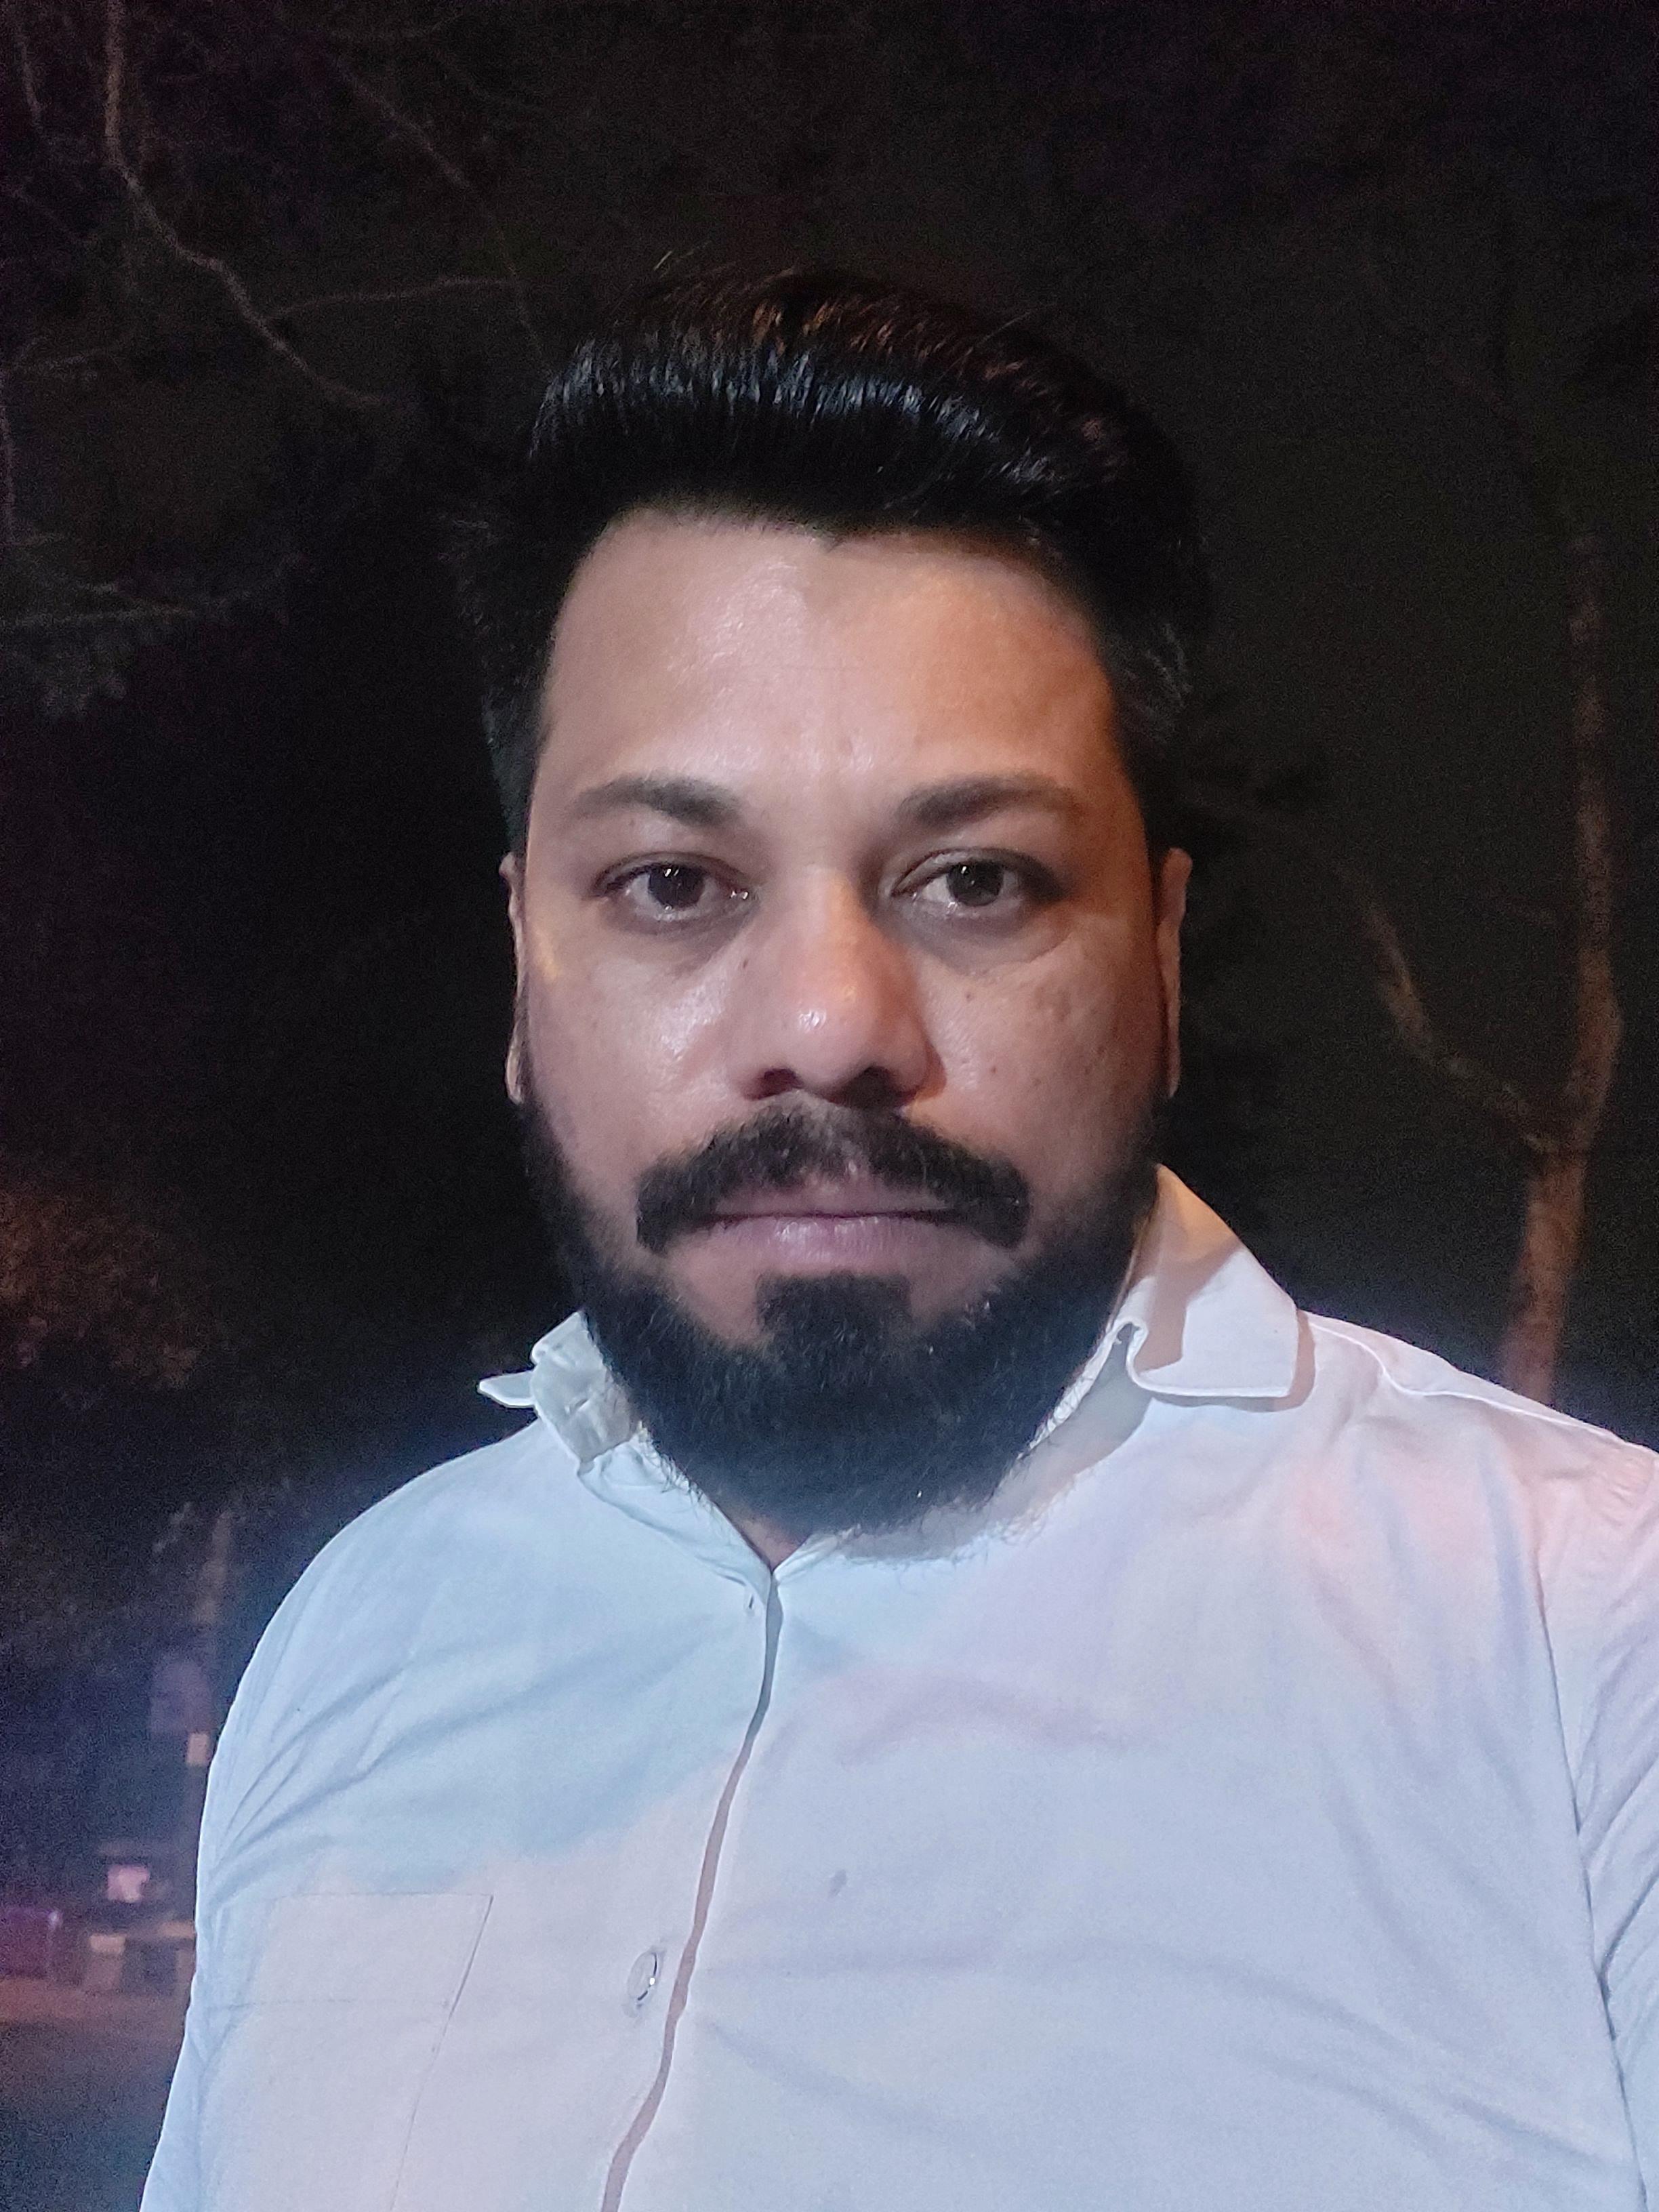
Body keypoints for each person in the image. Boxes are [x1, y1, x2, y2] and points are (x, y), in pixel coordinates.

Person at [142, 270, 1659, 2212]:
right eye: (672, 882)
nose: (833, 1024)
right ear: (524, 965)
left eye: (977, 879)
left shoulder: (1583, 1643)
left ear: (1161, 962)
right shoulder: (365, 1630)